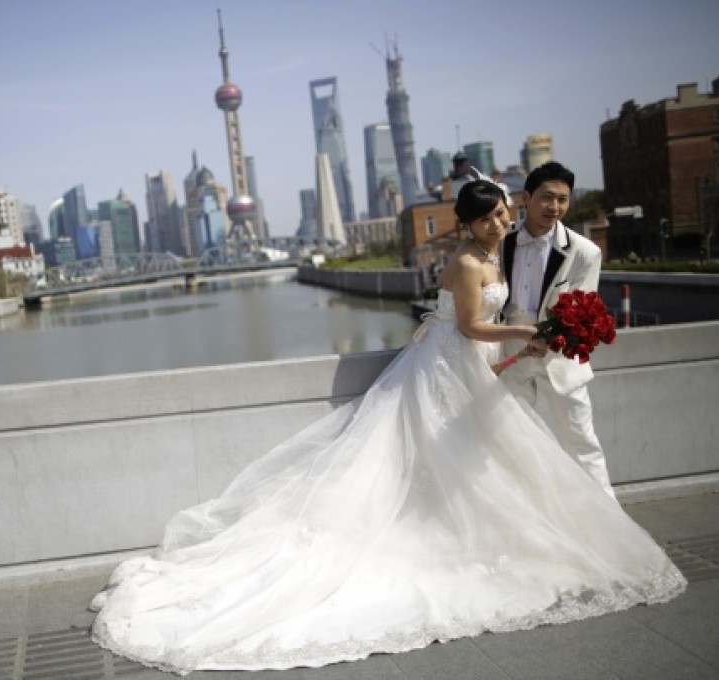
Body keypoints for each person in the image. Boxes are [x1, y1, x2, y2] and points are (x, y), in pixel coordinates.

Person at [90, 181, 685, 675]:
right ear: (473, 224)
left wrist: (528, 340)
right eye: (496, 218)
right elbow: (474, 327)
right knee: (438, 457)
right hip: (449, 365)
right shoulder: (462, 264)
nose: (505, 224)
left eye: (506, 215)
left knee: (481, 458)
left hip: (469, 367)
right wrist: (527, 335)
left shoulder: (489, 256)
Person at [501, 162, 613, 496]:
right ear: (526, 198)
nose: (555, 207)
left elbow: (583, 308)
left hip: (560, 357)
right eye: (547, 197)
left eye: (563, 199)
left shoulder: (585, 252)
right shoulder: (502, 245)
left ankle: (609, 523)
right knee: (511, 440)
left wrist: (550, 337)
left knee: (582, 443)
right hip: (510, 353)